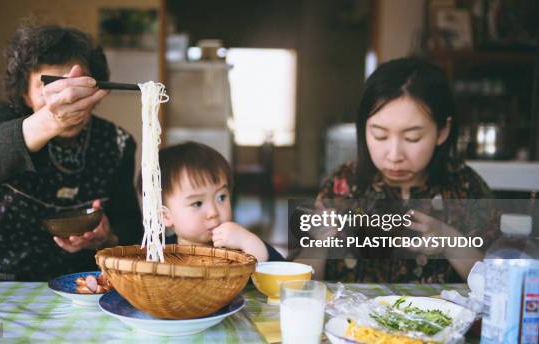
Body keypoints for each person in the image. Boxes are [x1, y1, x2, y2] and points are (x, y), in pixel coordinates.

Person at [0, 24, 143, 281]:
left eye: (77, 85)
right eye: (50, 86)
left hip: (74, 281)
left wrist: (108, 237)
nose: (67, 96)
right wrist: (52, 120)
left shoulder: (117, 142)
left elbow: (129, 224)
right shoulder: (2, 123)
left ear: (97, 91)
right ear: (24, 94)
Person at [297, 57, 499, 283]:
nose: (394, 155)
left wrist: (450, 241)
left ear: (442, 131)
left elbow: (502, 287)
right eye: (379, 135)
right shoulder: (342, 185)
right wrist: (319, 245)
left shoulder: (467, 188)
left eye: (412, 138)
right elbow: (296, 287)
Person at [155, 142, 285, 262]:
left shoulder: (236, 244)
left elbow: (282, 269)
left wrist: (248, 241)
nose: (213, 212)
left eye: (221, 197)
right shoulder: (159, 253)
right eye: (197, 203)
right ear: (166, 216)